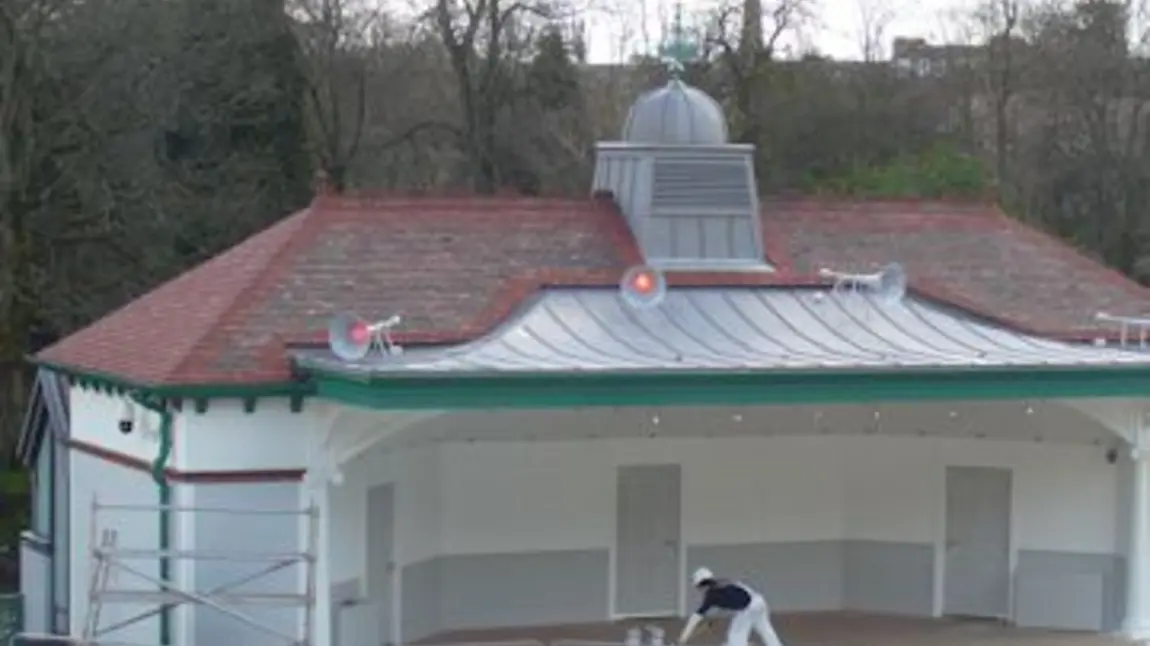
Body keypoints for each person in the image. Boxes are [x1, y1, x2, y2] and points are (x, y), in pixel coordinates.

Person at [676, 567, 785, 646]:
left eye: (698, 587)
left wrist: (683, 639)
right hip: (759, 602)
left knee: (735, 640)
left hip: (747, 609)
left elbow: (695, 618)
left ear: (701, 584)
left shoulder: (712, 595)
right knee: (766, 631)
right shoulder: (724, 582)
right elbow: (734, 598)